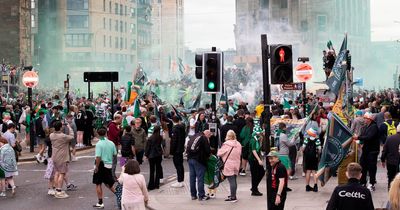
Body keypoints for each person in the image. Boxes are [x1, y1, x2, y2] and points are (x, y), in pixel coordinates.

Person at [353, 112, 380, 191]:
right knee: (363, 166)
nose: (364, 119)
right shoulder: (366, 126)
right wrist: (360, 142)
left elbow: (369, 137)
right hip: (366, 150)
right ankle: (363, 182)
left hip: (372, 151)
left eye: (365, 118)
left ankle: (371, 183)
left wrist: (358, 137)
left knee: (371, 167)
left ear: (369, 119)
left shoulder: (374, 127)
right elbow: (364, 136)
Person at [92, 127, 117, 209]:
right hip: (108, 164)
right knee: (108, 183)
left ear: (98, 134)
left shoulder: (99, 144)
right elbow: (114, 154)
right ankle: (119, 195)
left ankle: (100, 202)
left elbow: (98, 157)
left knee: (98, 183)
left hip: (101, 164)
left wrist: (96, 167)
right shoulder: (111, 143)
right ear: (106, 133)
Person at [50, 120, 74, 199]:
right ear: (61, 127)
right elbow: (72, 136)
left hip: (54, 156)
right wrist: (69, 128)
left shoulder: (51, 135)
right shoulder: (63, 136)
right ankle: (59, 191)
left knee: (56, 173)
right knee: (62, 173)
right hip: (62, 157)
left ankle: (56, 189)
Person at [217, 130, 241, 202]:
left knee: (231, 181)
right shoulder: (238, 144)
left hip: (228, 164)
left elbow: (219, 153)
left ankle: (233, 197)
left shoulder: (226, 144)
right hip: (236, 163)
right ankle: (233, 194)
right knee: (234, 180)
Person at [187, 130, 211, 201]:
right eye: (209, 136)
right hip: (198, 160)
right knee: (200, 178)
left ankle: (193, 195)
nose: (209, 138)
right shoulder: (204, 138)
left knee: (192, 178)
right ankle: (201, 195)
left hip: (190, 158)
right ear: (207, 134)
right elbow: (207, 150)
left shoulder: (195, 135)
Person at [144, 126, 164, 190]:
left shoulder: (150, 138)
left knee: (152, 170)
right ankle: (157, 184)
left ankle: (151, 185)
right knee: (158, 169)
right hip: (158, 155)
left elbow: (148, 147)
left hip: (152, 155)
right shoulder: (160, 137)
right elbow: (162, 145)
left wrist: (146, 155)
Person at [381, 124, 400, 190]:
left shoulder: (390, 138)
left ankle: (391, 195)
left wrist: (382, 160)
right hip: (396, 162)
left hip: (391, 162)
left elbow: (385, 150)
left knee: (391, 179)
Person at [302, 127, 321, 192]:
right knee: (314, 171)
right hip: (314, 157)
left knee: (308, 171)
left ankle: (307, 186)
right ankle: (315, 186)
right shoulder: (317, 140)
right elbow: (319, 149)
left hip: (307, 157)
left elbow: (303, 148)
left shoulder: (306, 139)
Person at [249, 124, 265, 196]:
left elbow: (259, 149)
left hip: (256, 158)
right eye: (260, 133)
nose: (261, 134)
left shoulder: (257, 139)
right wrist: (259, 160)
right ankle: (254, 190)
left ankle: (254, 187)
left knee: (261, 172)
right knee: (255, 175)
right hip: (253, 159)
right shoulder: (253, 139)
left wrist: (261, 140)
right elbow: (254, 150)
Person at [170, 116, 186, 188]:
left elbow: (174, 141)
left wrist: (171, 151)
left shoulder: (175, 129)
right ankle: (181, 180)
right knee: (180, 165)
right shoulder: (182, 128)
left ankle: (179, 181)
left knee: (178, 165)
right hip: (180, 149)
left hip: (176, 150)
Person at [107, 114, 122, 180]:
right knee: (114, 161)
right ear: (117, 118)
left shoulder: (112, 125)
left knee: (113, 160)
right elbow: (115, 134)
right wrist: (119, 129)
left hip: (113, 144)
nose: (121, 121)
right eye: (121, 119)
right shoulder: (112, 126)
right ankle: (112, 176)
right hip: (113, 144)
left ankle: (112, 175)